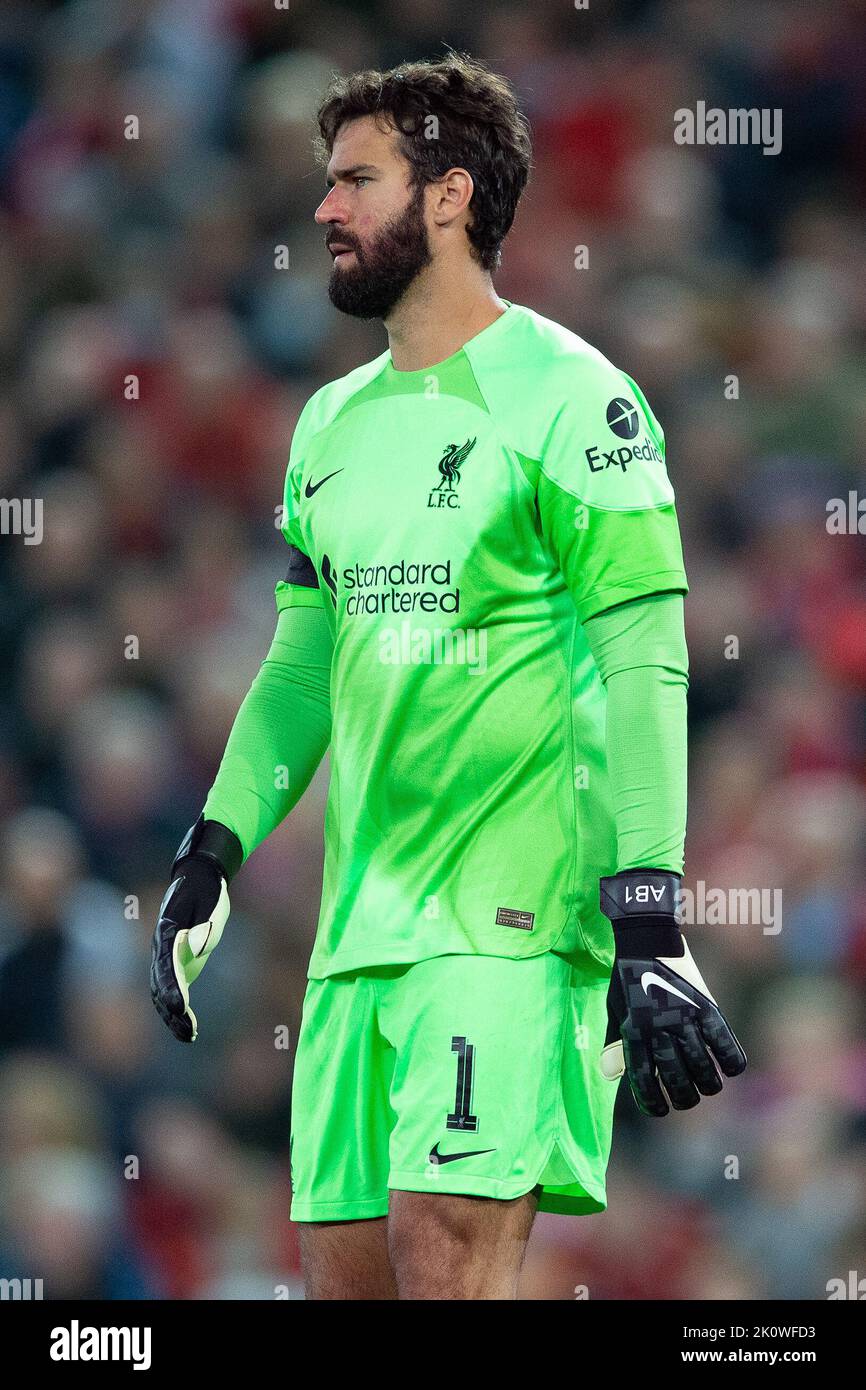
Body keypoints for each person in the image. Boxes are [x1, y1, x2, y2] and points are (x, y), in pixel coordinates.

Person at [150, 51, 746, 1301]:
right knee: (348, 1284)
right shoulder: (327, 427)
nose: (323, 210)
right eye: (326, 183)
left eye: (356, 180)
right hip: (355, 939)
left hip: (508, 929)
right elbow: (302, 666)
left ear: (447, 197)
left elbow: (645, 657)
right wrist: (213, 847)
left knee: (445, 1259)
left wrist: (649, 907)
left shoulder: (580, 401)